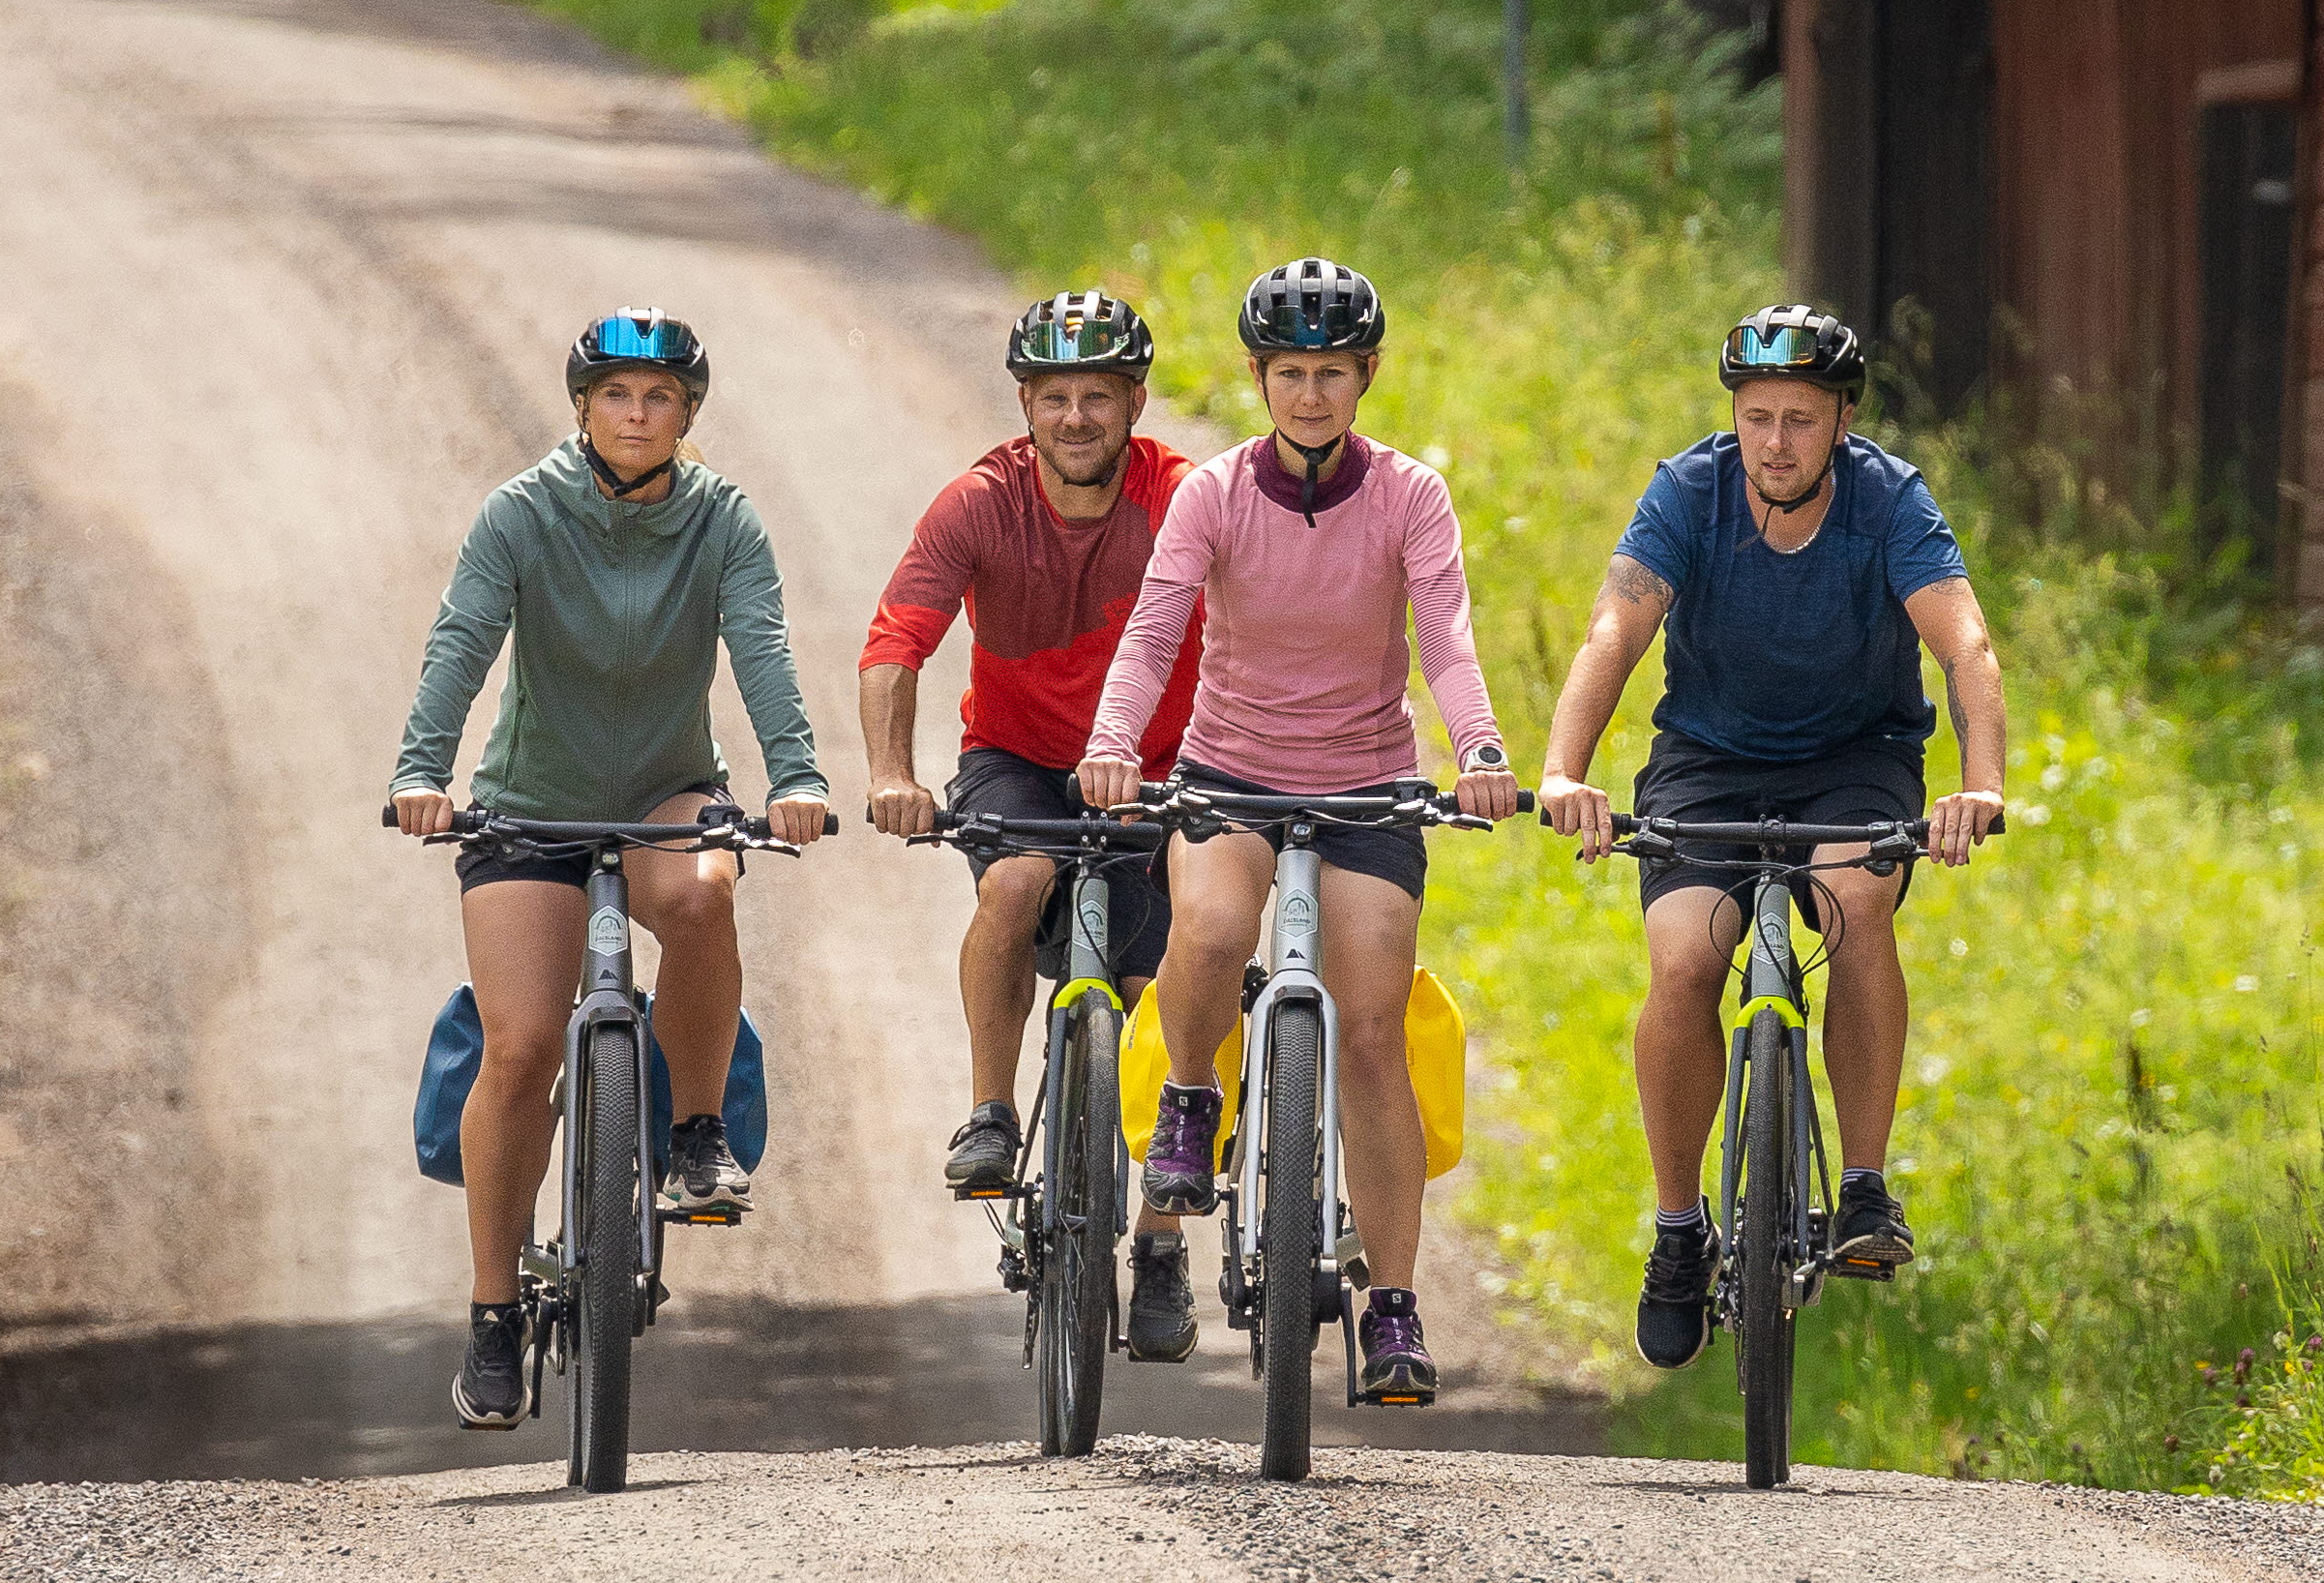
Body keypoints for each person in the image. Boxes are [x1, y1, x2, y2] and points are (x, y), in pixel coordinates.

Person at [1076, 258, 1525, 1405]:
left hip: (1368, 786)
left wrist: (1476, 750)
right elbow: (1153, 631)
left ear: (1365, 375)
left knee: (1372, 1025)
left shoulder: (1410, 495)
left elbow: (1448, 640)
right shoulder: (1214, 492)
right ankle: (1189, 1095)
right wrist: (1115, 739)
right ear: (1257, 377)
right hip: (1229, 772)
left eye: (1331, 372)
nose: (1310, 395)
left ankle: (1392, 1305)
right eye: (1289, 373)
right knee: (1214, 922)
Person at [1534, 303, 2007, 1370]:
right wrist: (1565, 768)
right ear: (1734, 418)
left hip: (1855, 758)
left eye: (1800, 417)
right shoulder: (1688, 491)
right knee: (1686, 953)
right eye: (1757, 417)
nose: (1776, 441)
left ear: (1841, 419)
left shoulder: (1890, 500)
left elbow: (1964, 642)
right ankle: (1674, 1229)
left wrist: (1977, 787)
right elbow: (1617, 622)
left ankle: (1864, 1189)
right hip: (1708, 759)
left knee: (1853, 899)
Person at [390, 309, 833, 1431]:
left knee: (698, 892)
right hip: (530, 803)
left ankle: (691, 1131)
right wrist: (418, 770)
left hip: (664, 790)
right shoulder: (520, 513)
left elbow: (763, 647)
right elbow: (461, 640)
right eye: (617, 396)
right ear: (582, 407)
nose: (637, 415)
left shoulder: (723, 519)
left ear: (687, 414)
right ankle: (493, 1314)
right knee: (523, 1041)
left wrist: (797, 774)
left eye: (660, 399)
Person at [857, 287, 1210, 1356]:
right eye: (1052, 395)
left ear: (1134, 401)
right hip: (1014, 759)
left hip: (1157, 763)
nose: (1073, 416)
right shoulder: (977, 502)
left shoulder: (1184, 498)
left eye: (1095, 395)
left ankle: (1158, 1241)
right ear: (1022, 401)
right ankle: (989, 1112)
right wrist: (888, 771)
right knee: (1012, 883)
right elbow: (894, 641)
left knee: (1177, 968)